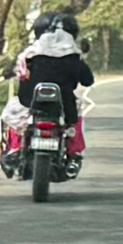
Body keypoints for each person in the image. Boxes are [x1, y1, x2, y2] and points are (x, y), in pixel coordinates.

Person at [11, 11, 92, 165]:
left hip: (29, 103)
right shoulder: (74, 56)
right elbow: (88, 81)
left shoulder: (29, 55)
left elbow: (16, 73)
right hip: (65, 106)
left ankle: (14, 149)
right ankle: (73, 153)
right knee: (75, 118)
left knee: (13, 114)